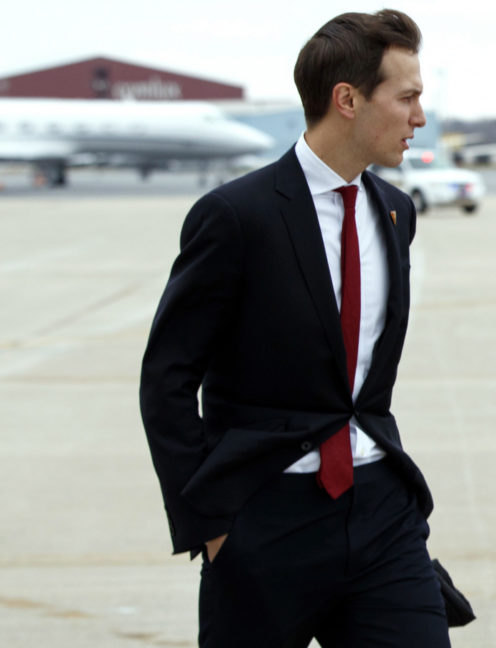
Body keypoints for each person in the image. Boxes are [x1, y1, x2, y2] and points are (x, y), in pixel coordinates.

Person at [139, 10, 451, 647]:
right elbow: (167, 378)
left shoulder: (397, 211)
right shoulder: (235, 215)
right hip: (264, 517)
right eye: (408, 97)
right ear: (347, 100)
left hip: (381, 510)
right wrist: (211, 523)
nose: (420, 116)